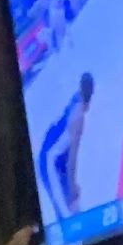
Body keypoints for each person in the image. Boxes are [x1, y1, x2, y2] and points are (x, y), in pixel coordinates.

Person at [37, 69, 95, 220]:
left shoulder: (76, 98)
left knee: (73, 207)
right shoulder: (78, 119)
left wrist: (71, 187)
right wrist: (72, 187)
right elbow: (72, 161)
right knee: (66, 215)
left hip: (57, 157)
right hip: (50, 162)